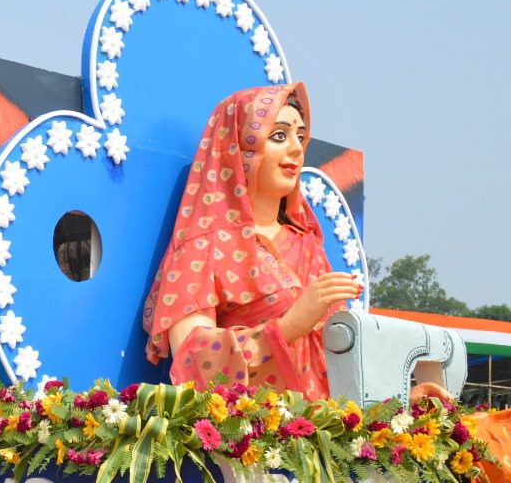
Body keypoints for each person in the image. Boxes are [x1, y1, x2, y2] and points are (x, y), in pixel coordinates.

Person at [142, 83, 358, 401]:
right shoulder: (204, 247)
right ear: (237, 150)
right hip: (249, 439)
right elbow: (192, 361)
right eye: (279, 136)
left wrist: (405, 396)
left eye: (300, 136)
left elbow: (343, 353)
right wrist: (288, 327)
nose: (297, 149)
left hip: (325, 435)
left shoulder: (307, 246)